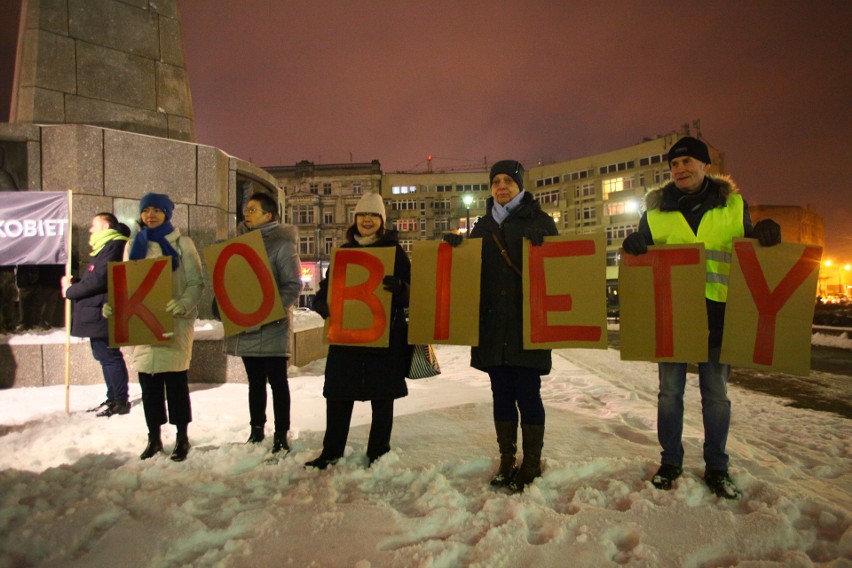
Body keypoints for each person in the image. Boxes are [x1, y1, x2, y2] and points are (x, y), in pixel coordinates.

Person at [621, 136, 781, 499]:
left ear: (706, 165)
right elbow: (643, 256)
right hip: (673, 317)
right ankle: (671, 462)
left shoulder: (733, 206)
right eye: (674, 164)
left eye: (688, 162)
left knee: (716, 396)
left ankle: (717, 467)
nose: (680, 169)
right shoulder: (655, 213)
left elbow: (753, 251)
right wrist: (633, 243)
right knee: (669, 395)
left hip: (720, 318)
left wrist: (767, 233)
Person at [443, 160, 558, 493]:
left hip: (526, 325)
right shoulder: (481, 226)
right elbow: (468, 273)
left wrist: (545, 243)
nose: (502, 186)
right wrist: (455, 247)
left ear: (520, 185)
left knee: (528, 393)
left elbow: (558, 269)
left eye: (509, 180)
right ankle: (507, 460)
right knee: (501, 395)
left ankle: (531, 463)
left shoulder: (541, 221)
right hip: (492, 326)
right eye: (496, 181)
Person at [305, 191, 411, 469]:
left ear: (382, 221)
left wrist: (400, 289)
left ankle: (378, 451)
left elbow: (413, 293)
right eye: (363, 215)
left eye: (374, 215)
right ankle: (331, 452)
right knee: (339, 396)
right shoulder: (344, 252)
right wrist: (320, 302)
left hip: (383, 337)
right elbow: (328, 288)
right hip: (347, 338)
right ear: (355, 219)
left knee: (382, 398)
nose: (367, 220)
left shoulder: (395, 253)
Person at [106, 193, 204, 462]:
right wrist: (114, 306)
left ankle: (182, 437)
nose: (151, 215)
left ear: (167, 213)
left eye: (157, 210)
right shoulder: (132, 246)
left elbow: (197, 283)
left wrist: (183, 304)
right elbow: (125, 282)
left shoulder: (183, 244)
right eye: (146, 210)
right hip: (143, 325)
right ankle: (154, 437)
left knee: (175, 384)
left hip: (174, 323)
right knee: (148, 385)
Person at [223, 192, 302, 454]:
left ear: (269, 215)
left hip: (272, 325)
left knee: (278, 382)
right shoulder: (238, 245)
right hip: (247, 325)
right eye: (246, 209)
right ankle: (256, 430)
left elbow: (292, 284)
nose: (247, 213)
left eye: (254, 209)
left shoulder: (281, 245)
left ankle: (281, 434)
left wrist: (271, 309)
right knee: (254, 382)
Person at [61, 213, 131, 417]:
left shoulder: (113, 246)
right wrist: (78, 282)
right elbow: (95, 276)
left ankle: (120, 401)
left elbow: (100, 279)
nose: (90, 230)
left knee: (109, 356)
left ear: (105, 225)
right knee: (103, 355)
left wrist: (70, 291)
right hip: (96, 311)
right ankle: (113, 397)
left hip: (102, 311)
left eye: (93, 226)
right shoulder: (107, 247)